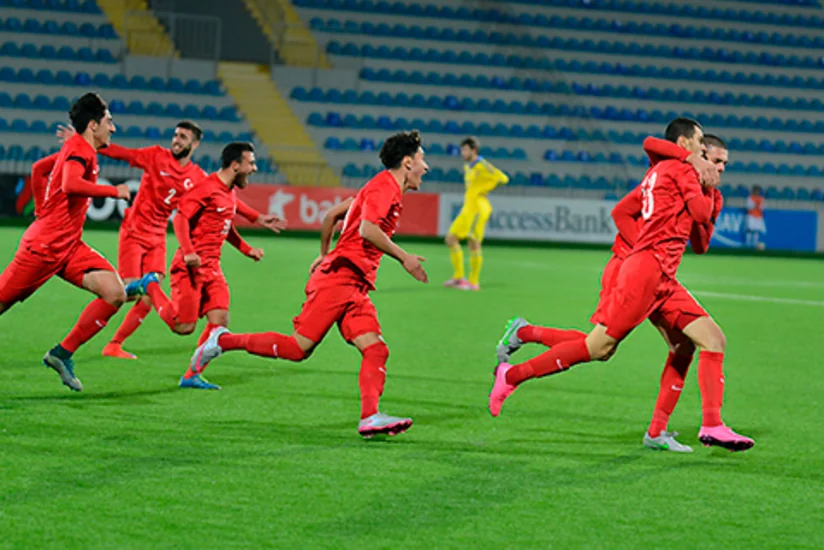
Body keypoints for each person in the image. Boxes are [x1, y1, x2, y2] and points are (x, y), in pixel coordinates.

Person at [489, 118, 754, 452]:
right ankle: (513, 372)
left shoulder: (674, 173)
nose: (718, 167)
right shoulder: (681, 170)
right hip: (638, 269)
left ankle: (698, 426)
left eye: (722, 164)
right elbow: (652, 199)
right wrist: (646, 244)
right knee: (598, 348)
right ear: (690, 146)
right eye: (713, 158)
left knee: (705, 340)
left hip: (659, 274)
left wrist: (708, 193)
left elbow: (700, 241)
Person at [184, 130, 429, 438]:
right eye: (422, 159)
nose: (426, 167)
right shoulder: (385, 189)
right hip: (340, 280)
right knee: (298, 348)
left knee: (376, 350)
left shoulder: (379, 188)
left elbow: (331, 215)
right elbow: (367, 229)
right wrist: (403, 257)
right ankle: (222, 340)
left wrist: (324, 254)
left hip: (354, 284)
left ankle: (370, 417)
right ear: (407, 162)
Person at [55, 122, 285, 359]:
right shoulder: (155, 155)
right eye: (175, 135)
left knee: (146, 296)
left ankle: (115, 344)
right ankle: (98, 336)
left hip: (158, 236)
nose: (176, 140)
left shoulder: (196, 176)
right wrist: (85, 142)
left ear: (194, 144)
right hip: (134, 231)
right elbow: (122, 153)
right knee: (130, 293)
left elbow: (224, 200)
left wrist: (256, 217)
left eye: (183, 137)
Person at [0, 92, 135, 391]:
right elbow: (70, 184)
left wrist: (41, 210)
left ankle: (61, 354)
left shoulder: (79, 147)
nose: (113, 128)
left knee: (115, 293)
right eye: (109, 122)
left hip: (69, 246)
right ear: (93, 125)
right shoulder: (80, 151)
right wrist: (115, 192)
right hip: (43, 249)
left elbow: (38, 170)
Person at [443, 137, 509, 291]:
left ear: (474, 150)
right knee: (450, 239)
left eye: (465, 150)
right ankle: (459, 277)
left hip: (478, 208)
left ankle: (473, 282)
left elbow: (503, 178)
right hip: (468, 208)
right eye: (462, 150)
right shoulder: (468, 166)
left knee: (473, 242)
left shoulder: (482, 165)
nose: (462, 153)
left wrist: (484, 189)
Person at [745, 185, 766, 250]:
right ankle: (748, 244)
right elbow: (748, 207)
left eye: (758, 191)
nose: (757, 192)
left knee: (756, 230)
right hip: (751, 216)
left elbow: (762, 208)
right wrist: (755, 205)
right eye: (755, 191)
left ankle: (755, 244)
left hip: (758, 216)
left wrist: (758, 206)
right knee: (749, 230)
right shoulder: (750, 198)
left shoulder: (761, 199)